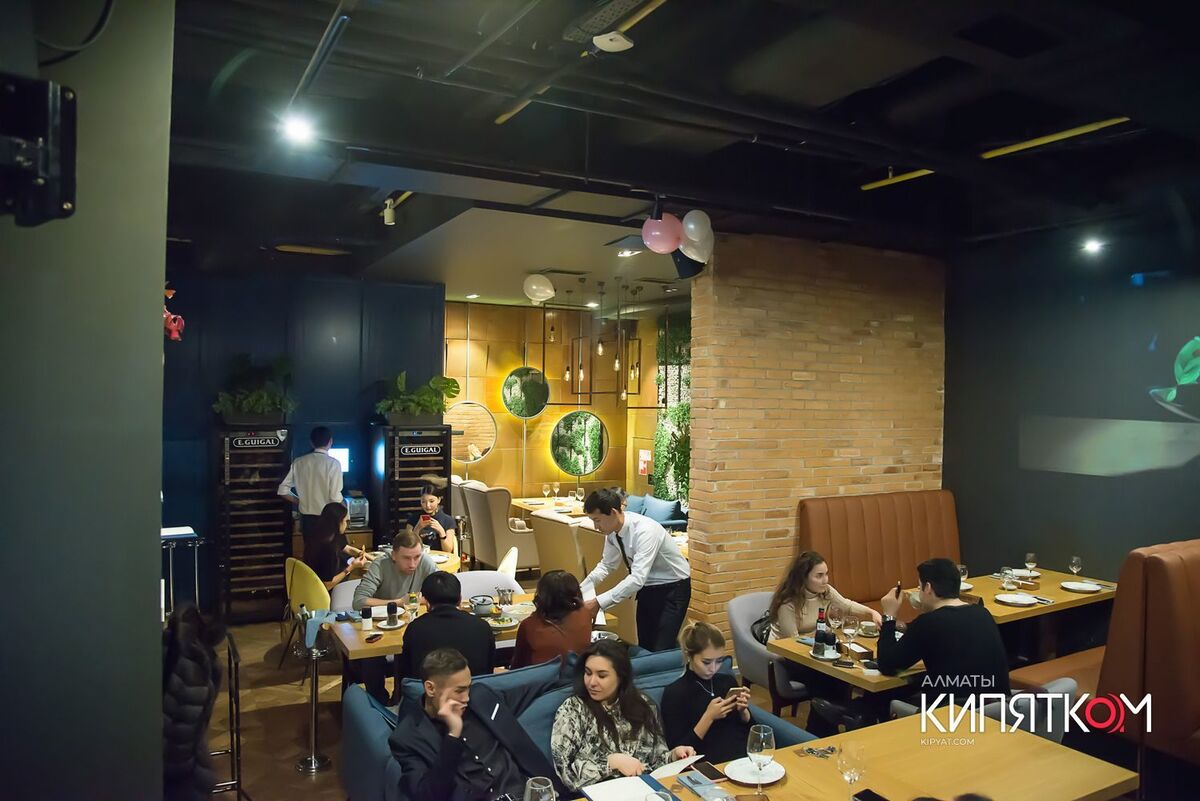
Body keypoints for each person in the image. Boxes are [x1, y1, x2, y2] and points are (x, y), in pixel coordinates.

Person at [390, 648, 567, 801]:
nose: (466, 697)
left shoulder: (481, 698)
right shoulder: (408, 738)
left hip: (527, 793)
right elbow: (428, 795)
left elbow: (526, 693)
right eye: (459, 691)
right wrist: (453, 736)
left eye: (468, 687)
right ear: (430, 688)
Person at [550, 639, 695, 792]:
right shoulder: (573, 709)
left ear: (620, 677)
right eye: (588, 673)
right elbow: (566, 773)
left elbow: (655, 761)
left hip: (641, 790)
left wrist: (673, 756)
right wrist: (610, 763)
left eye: (602, 676)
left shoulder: (643, 706)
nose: (591, 682)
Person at [877, 558, 1010, 705]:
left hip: (950, 712)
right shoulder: (983, 613)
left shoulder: (928, 622)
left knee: (879, 701)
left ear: (928, 588)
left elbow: (887, 665)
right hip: (997, 710)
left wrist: (889, 616)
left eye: (919, 587)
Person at [580, 488, 690, 651]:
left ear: (613, 512)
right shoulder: (612, 532)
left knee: (661, 647)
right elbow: (606, 565)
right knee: (644, 644)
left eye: (597, 520)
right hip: (647, 588)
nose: (596, 527)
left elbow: (637, 578)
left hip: (673, 588)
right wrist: (581, 589)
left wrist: (599, 603)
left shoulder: (645, 531)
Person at [353, 530, 439, 703]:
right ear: (393, 555)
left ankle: (405, 699)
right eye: (406, 558)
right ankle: (379, 703)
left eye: (417, 557)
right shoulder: (380, 565)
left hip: (412, 626)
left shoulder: (426, 563)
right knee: (371, 657)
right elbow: (359, 602)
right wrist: (399, 602)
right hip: (380, 626)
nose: (413, 564)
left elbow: (440, 594)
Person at [659, 622, 752, 764]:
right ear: (689, 656)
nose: (713, 668)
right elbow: (677, 751)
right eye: (706, 662)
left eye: (719, 661)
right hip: (708, 763)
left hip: (743, 758)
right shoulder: (674, 693)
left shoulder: (727, 681)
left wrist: (743, 713)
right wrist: (708, 717)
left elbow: (749, 731)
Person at [399, 571, 495, 680]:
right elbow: (489, 670)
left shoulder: (415, 629)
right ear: (460, 599)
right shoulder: (482, 626)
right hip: (476, 688)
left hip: (429, 690)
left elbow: (407, 675)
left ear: (426, 602)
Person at [768, 550, 882, 639]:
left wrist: (872, 612)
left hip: (812, 644)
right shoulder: (788, 602)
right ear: (803, 578)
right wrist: (815, 636)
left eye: (826, 574)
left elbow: (847, 606)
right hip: (782, 652)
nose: (825, 580)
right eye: (819, 576)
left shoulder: (825, 591)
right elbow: (792, 641)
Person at [509, 570, 592, 669]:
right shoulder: (585, 613)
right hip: (579, 676)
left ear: (542, 596)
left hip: (544, 678)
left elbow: (517, 667)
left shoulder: (529, 625)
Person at [277, 426, 343, 538]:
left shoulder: (298, 462)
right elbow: (335, 497)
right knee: (329, 548)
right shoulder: (333, 464)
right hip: (328, 518)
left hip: (307, 520)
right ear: (330, 441)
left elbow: (282, 491)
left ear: (311, 443)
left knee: (310, 548)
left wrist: (300, 501)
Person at [303, 502, 367, 590]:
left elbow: (346, 548)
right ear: (338, 522)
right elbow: (327, 585)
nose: (346, 524)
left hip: (311, 582)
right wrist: (352, 567)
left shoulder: (324, 533)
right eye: (345, 521)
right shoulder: (328, 547)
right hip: (321, 591)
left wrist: (367, 556)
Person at [406, 486, 458, 554]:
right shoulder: (413, 519)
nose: (427, 505)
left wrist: (441, 532)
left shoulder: (448, 520)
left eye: (431, 501)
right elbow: (408, 547)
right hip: (419, 557)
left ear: (439, 500)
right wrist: (417, 528)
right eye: (423, 502)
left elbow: (448, 550)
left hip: (440, 557)